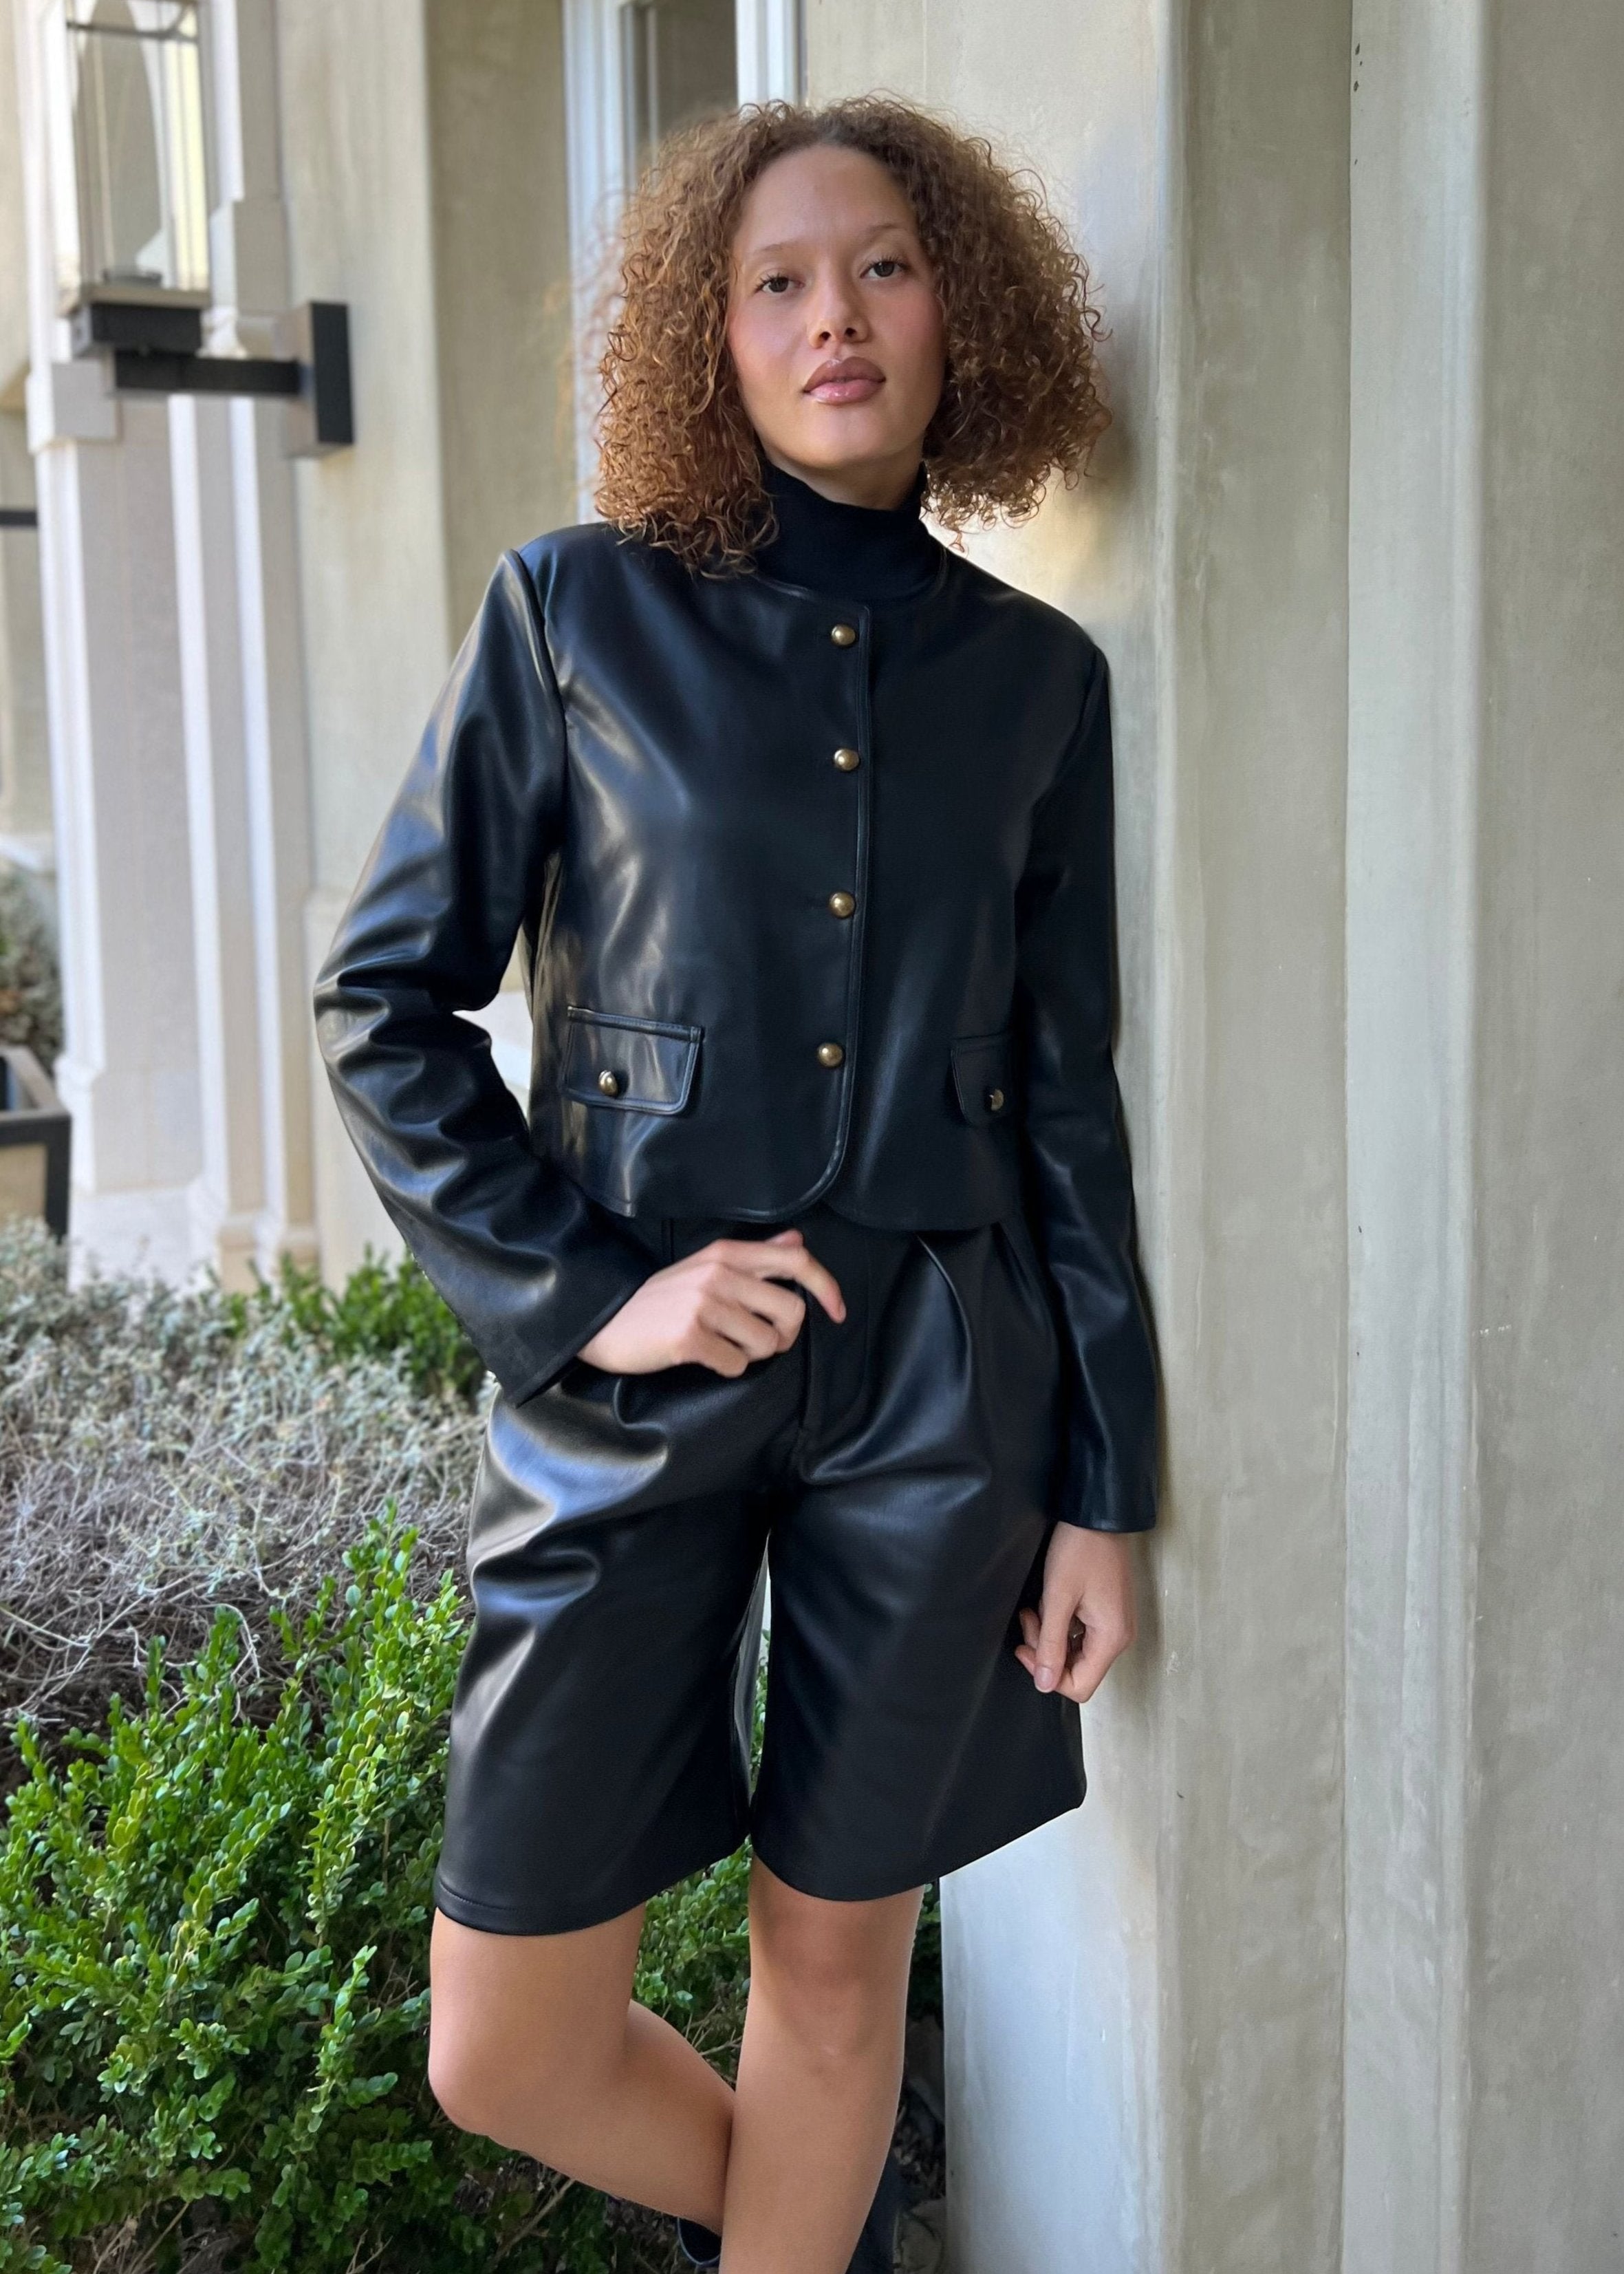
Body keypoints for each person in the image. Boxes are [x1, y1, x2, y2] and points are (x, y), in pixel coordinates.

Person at [314, 94, 1159, 2274]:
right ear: (712, 340)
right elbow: (384, 1001)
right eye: (776, 281)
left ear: (958, 313)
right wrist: (596, 1292)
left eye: (881, 266)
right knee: (501, 2037)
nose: (833, 316)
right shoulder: (572, 614)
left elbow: (1066, 1103)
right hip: (630, 1388)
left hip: (940, 1391)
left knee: (834, 1972)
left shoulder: (1038, 684)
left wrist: (1103, 1484)